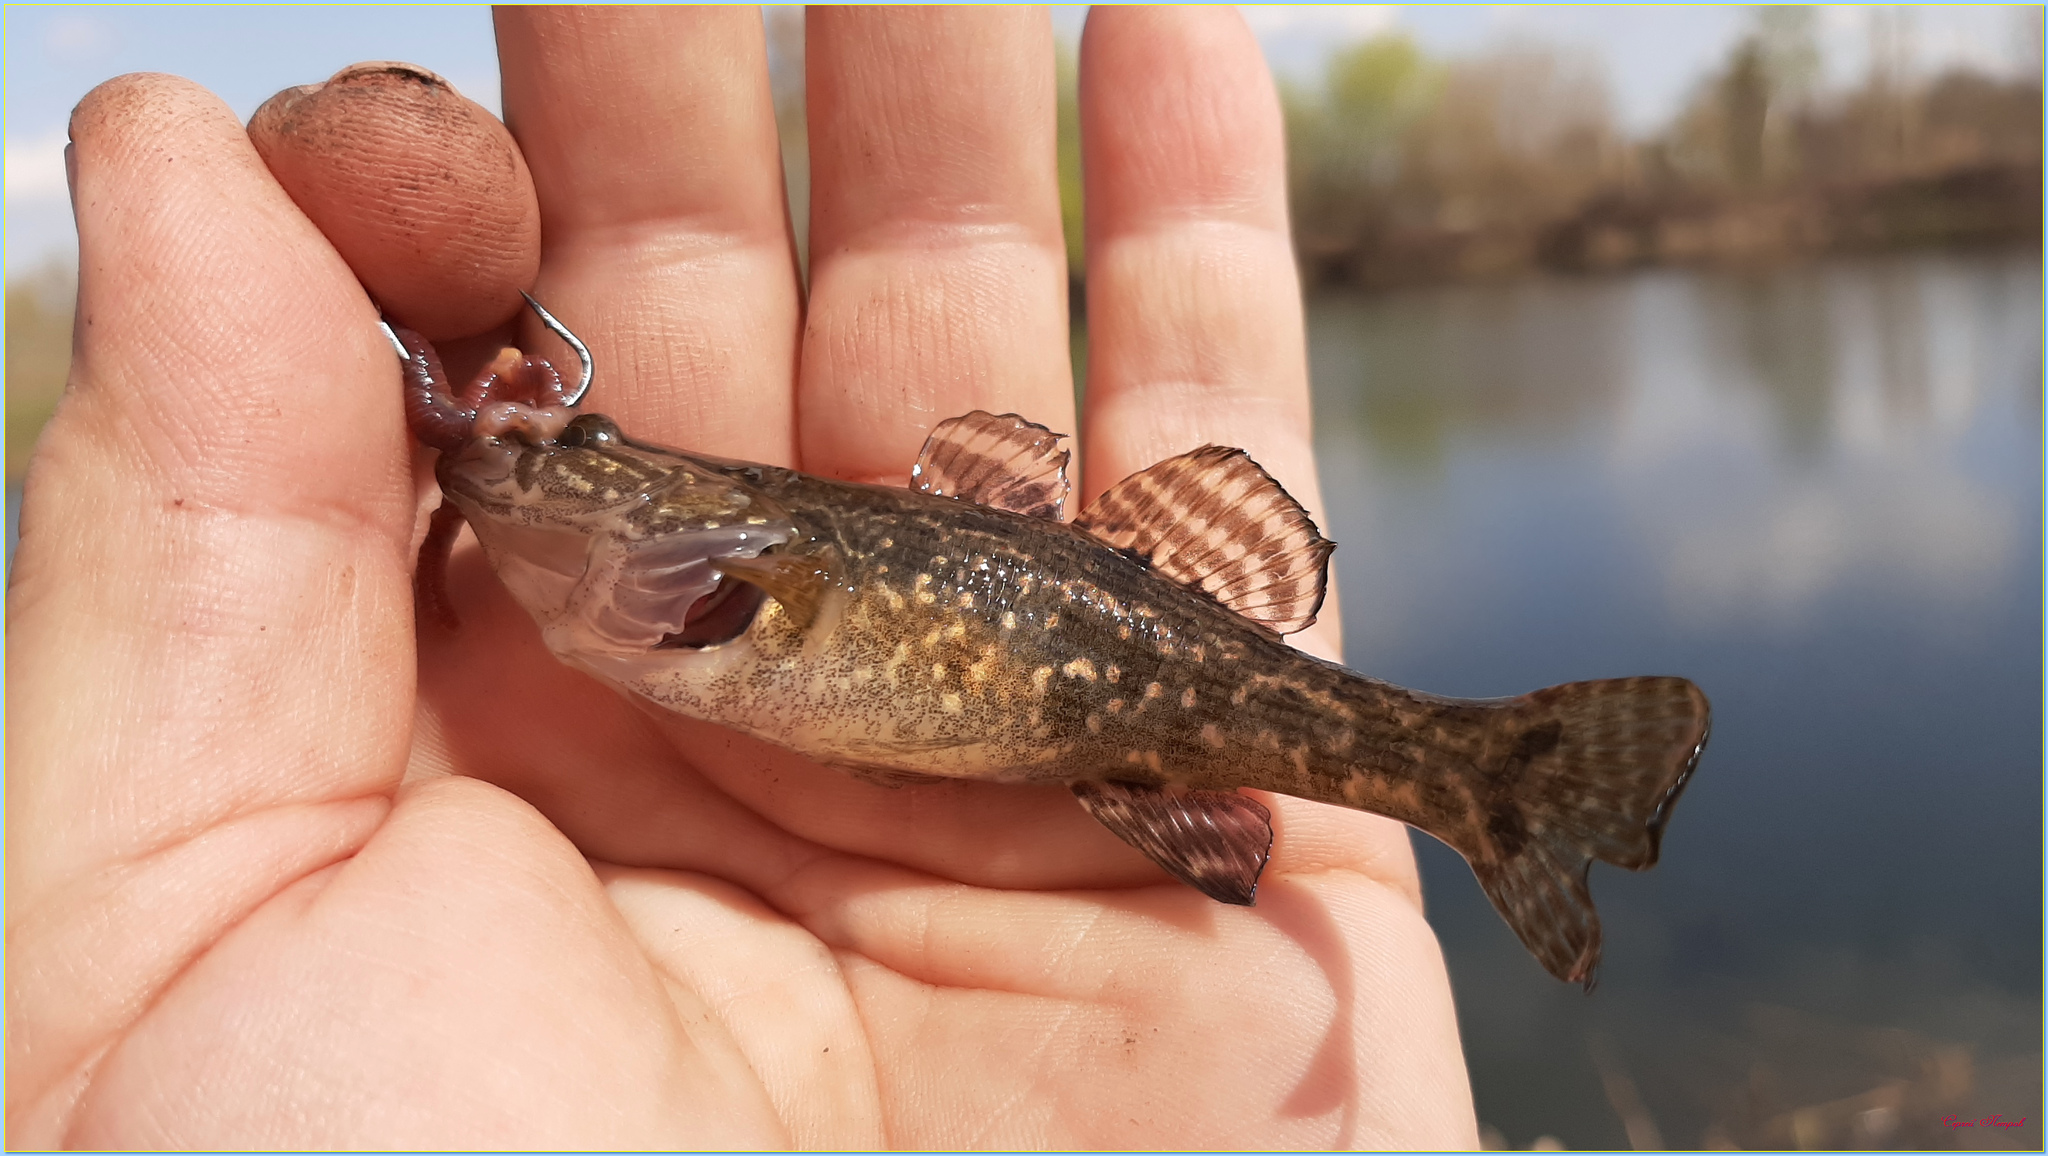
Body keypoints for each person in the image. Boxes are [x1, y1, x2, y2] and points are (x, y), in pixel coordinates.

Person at [6, 8, 1475, 1148]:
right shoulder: (682, 589)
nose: (532, 465)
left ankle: (1483, 776)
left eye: (581, 452)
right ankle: (1481, 776)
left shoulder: (727, 571)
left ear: (702, 547)